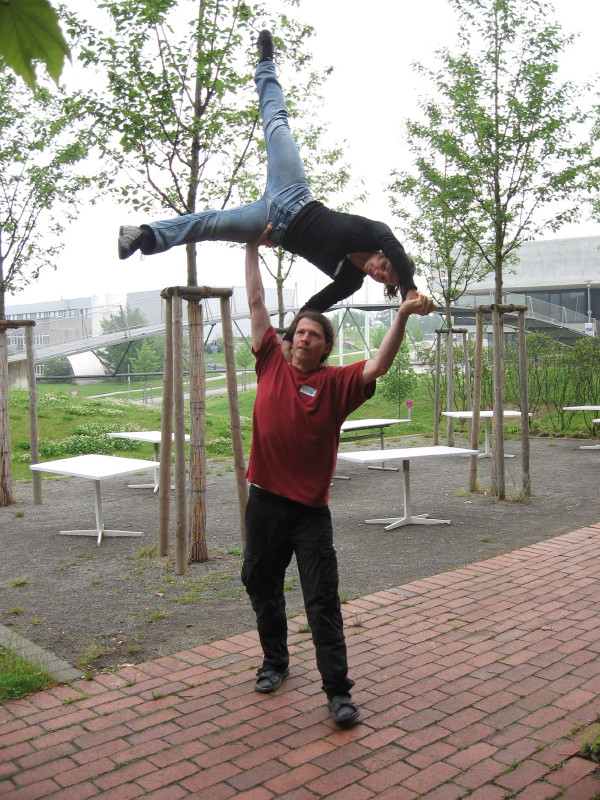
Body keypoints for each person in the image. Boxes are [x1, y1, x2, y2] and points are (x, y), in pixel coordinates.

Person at [242, 225, 434, 728]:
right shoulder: (270, 363)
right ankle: (275, 662)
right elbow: (257, 301)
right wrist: (251, 248)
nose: (304, 337)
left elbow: (379, 364)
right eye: (299, 332)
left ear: (325, 347)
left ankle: (338, 692)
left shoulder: (336, 383)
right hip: (264, 502)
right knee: (260, 583)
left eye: (315, 334)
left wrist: (402, 313)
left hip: (310, 511)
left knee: (321, 599)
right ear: (289, 340)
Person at [118, 30, 430, 318]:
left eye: (383, 278)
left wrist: (290, 340)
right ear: (385, 255)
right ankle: (266, 63)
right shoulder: (374, 233)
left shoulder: (350, 280)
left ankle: (144, 236)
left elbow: (312, 308)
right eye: (385, 266)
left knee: (209, 224)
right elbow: (395, 247)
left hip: (269, 225)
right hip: (293, 191)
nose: (378, 272)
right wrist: (409, 289)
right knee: (277, 123)